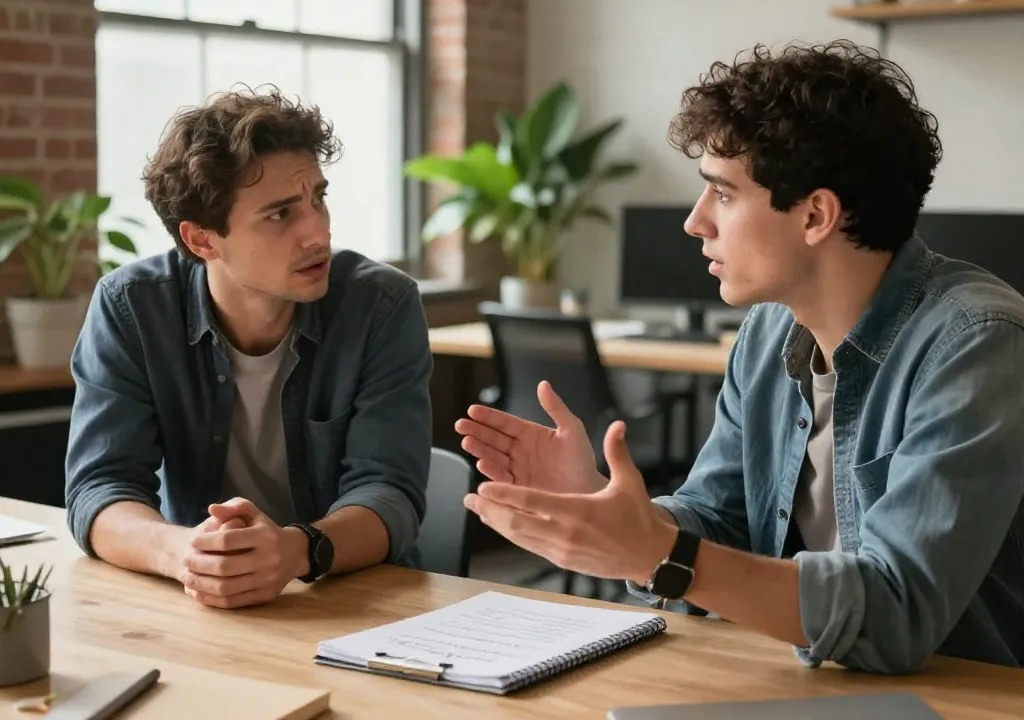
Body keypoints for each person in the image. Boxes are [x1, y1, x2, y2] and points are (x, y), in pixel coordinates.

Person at [456, 40, 1024, 673]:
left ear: (815, 215)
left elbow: (897, 611)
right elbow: (717, 520)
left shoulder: (977, 342)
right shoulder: (766, 333)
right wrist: (605, 506)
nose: (696, 222)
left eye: (722, 195)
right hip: (805, 683)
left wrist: (656, 552)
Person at [65, 87, 432, 609]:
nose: (318, 232)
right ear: (203, 240)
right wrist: (185, 553)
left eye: (318, 198)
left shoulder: (381, 305)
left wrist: (294, 551)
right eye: (281, 214)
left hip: (352, 600)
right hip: (199, 602)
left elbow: (389, 493)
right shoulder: (131, 308)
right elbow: (99, 490)